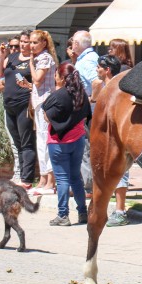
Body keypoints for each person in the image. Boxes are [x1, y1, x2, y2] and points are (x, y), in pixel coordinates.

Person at [43, 62, 92, 226]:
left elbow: (46, 116)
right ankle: (83, 212)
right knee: (76, 177)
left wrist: (57, 88)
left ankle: (63, 215)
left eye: (56, 74)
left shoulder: (58, 96)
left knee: (62, 179)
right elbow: (86, 116)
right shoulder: (82, 94)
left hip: (58, 142)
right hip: (78, 140)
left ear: (62, 77)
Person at [95, 54, 133, 227]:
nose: (97, 69)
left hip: (118, 137)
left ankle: (120, 210)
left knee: (122, 173)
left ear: (107, 69)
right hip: (103, 136)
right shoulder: (100, 86)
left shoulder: (120, 87)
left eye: (99, 67)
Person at [0, 32, 35, 189]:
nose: (23, 45)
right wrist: (1, 56)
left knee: (26, 142)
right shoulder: (12, 58)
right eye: (22, 42)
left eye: (26, 42)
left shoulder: (33, 59)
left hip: (24, 104)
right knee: (16, 142)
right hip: (9, 104)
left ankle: (27, 178)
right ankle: (20, 174)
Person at [68, 30, 99, 196]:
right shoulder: (86, 59)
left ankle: (88, 186)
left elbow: (97, 82)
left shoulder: (87, 61)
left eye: (73, 42)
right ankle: (87, 184)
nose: (72, 45)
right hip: (86, 110)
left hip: (89, 112)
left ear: (77, 44)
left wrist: (91, 100)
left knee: (86, 146)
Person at [29, 29, 58, 195]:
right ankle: (42, 178)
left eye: (35, 42)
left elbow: (38, 80)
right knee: (40, 140)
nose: (32, 46)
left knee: (45, 140)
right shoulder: (40, 58)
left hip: (46, 101)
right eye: (31, 42)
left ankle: (50, 180)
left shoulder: (45, 58)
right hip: (39, 102)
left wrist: (31, 65)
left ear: (43, 43)